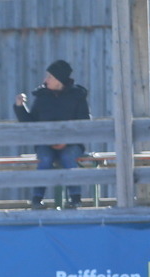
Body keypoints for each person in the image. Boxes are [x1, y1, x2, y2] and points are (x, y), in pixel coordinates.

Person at [13, 59, 91, 210]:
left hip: (72, 143)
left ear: (59, 80)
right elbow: (30, 123)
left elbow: (84, 124)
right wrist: (19, 107)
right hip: (46, 142)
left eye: (49, 77)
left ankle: (75, 198)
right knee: (45, 158)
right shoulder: (42, 97)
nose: (45, 80)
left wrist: (67, 142)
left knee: (68, 156)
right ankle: (37, 199)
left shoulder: (77, 96)